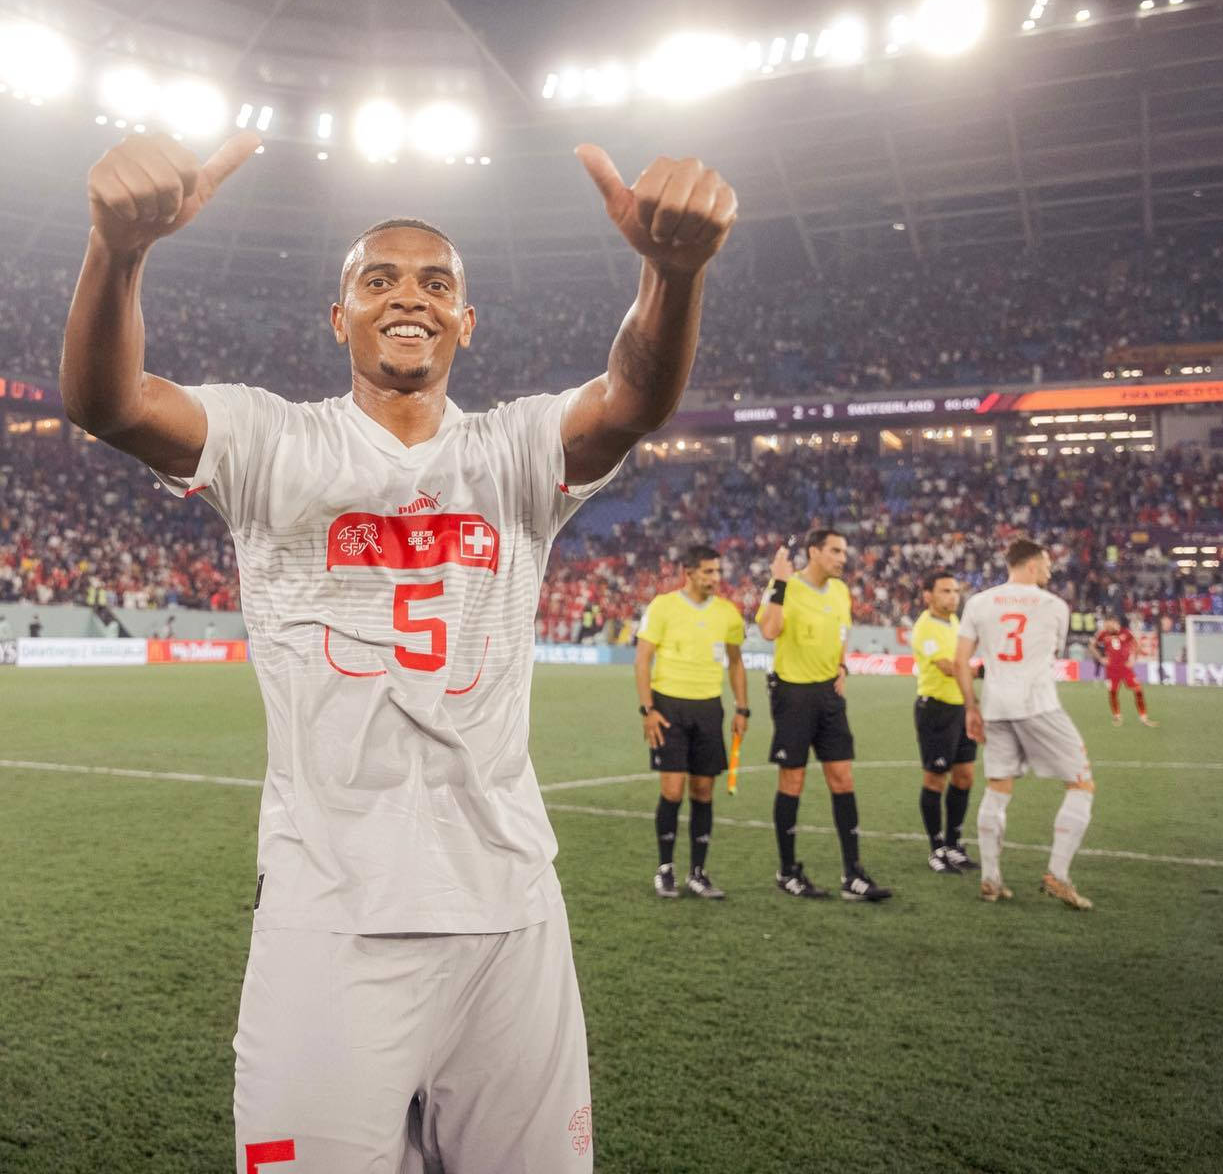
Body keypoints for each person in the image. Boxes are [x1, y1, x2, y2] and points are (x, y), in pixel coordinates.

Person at [61, 129, 738, 1173]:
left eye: (434, 282)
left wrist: (671, 274)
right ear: (340, 317)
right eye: (377, 279)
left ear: (468, 318)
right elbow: (108, 404)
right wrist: (118, 249)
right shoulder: (273, 440)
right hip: (328, 923)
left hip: (508, 917)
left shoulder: (514, 448)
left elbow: (632, 401)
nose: (407, 295)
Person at [956, 538, 1096, 911]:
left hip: (994, 706)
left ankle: (990, 878)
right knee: (1081, 782)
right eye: (1046, 564)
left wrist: (971, 708)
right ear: (1032, 565)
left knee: (998, 788)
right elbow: (1052, 653)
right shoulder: (1054, 606)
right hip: (1038, 705)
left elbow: (961, 662)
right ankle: (1057, 875)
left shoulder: (978, 602)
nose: (1050, 571)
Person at [758, 530, 891, 903]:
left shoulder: (840, 591)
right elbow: (769, 630)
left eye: (844, 551)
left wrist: (842, 665)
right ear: (814, 552)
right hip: (793, 694)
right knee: (793, 780)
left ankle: (853, 875)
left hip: (828, 695)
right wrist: (781, 584)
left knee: (842, 778)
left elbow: (842, 632)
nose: (842, 558)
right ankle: (787, 872)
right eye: (835, 551)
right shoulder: (784, 584)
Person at [634, 543, 750, 899]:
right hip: (669, 708)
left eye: (717, 571)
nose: (715, 578)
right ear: (689, 573)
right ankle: (665, 869)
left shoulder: (728, 613)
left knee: (703, 791)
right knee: (672, 790)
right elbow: (642, 661)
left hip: (708, 709)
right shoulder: (663, 606)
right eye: (708, 572)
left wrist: (742, 709)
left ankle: (698, 873)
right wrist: (648, 709)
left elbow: (735, 663)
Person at [912, 570, 977, 873]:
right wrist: (984, 671)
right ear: (928, 596)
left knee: (964, 776)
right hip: (936, 710)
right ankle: (936, 848)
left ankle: (953, 844)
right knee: (935, 779)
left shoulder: (953, 622)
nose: (953, 596)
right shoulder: (925, 628)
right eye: (945, 591)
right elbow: (948, 667)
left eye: (955, 591)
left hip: (960, 709)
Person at [1091, 616, 1156, 727]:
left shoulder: (1125, 632)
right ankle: (1117, 717)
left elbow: (1136, 644)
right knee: (1113, 693)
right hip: (1111, 669)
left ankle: (1144, 717)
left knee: (1138, 690)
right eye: (1105, 624)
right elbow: (1092, 646)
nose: (1106, 626)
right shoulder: (1103, 634)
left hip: (1125, 668)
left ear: (1114, 622)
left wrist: (1133, 659)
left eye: (1108, 623)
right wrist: (1101, 658)